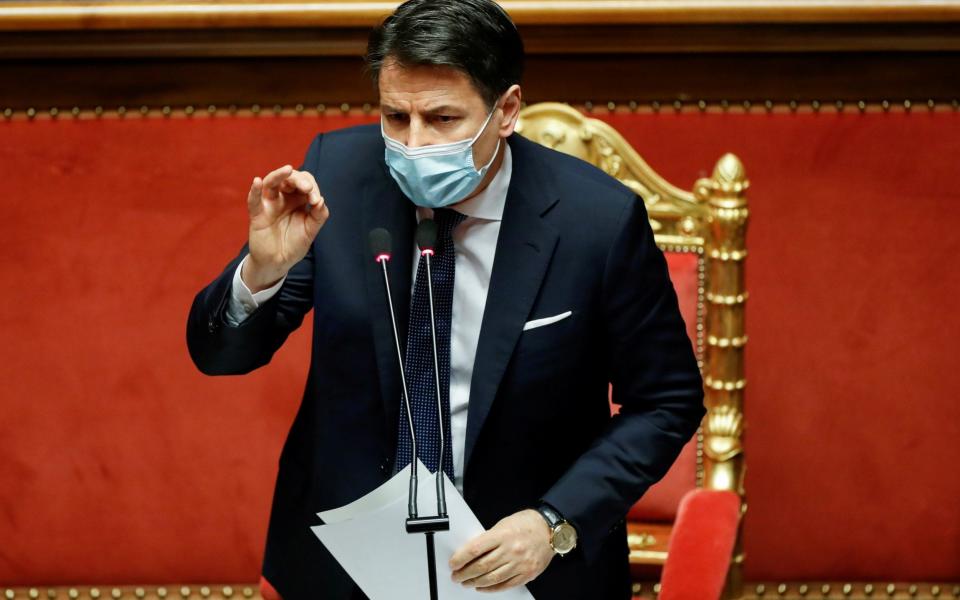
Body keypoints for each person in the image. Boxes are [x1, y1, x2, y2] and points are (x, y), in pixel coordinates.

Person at [186, 0, 705, 598]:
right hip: (345, 566)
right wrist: (262, 269)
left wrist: (553, 523)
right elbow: (222, 356)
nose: (413, 144)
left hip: (523, 570)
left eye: (442, 119)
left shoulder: (597, 221)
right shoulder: (341, 175)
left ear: (506, 110)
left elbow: (667, 401)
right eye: (394, 116)